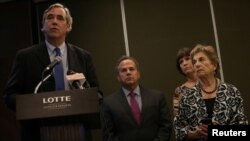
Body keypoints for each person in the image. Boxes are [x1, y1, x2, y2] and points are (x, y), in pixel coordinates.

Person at [3, 3, 99, 141]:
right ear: (43, 25)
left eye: (60, 18)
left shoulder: (83, 57)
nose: (54, 21)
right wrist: (32, 107)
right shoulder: (25, 56)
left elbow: (96, 93)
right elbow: (10, 95)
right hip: (38, 131)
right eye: (50, 17)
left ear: (68, 27)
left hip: (77, 129)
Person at [174, 44, 248, 141]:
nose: (196, 64)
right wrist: (195, 134)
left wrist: (217, 133)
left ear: (214, 65)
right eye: (194, 61)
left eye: (201, 60)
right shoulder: (187, 96)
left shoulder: (231, 91)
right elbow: (178, 130)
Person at [101, 55, 172, 141]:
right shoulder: (109, 103)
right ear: (118, 77)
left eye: (131, 69)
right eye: (123, 70)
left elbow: (166, 126)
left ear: (138, 74)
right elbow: (108, 134)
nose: (128, 72)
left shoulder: (157, 97)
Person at [173, 47, 197, 117]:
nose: (184, 63)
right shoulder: (178, 91)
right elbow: (176, 117)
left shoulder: (210, 84)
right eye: (181, 61)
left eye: (187, 59)